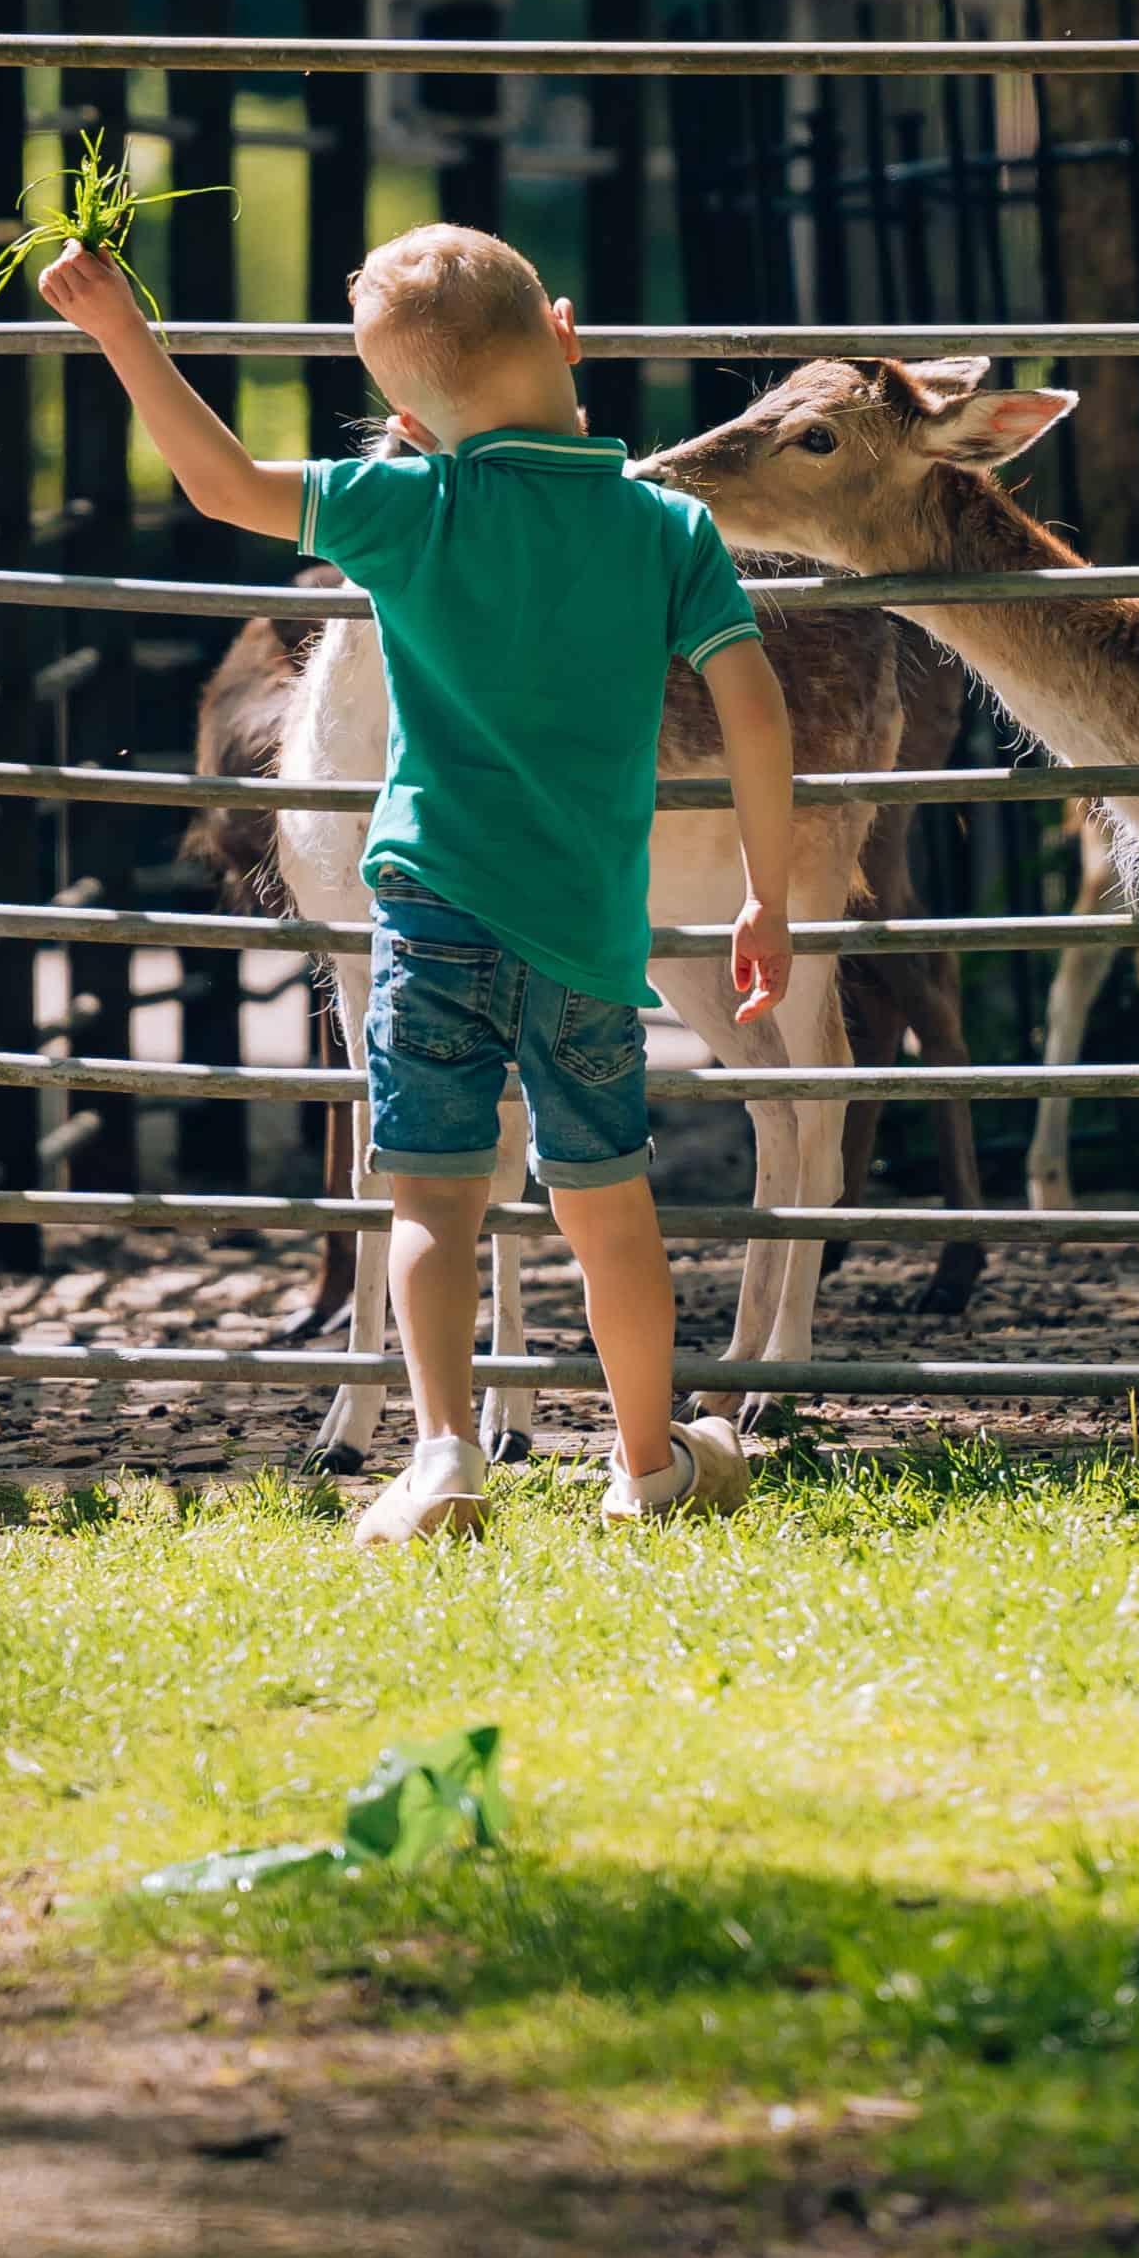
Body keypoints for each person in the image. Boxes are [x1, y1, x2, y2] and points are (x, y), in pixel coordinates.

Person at [41, 216, 787, 1540]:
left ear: (406, 413)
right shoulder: (664, 527)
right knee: (609, 1206)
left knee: (436, 1195)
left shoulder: (408, 504)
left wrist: (121, 336)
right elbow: (755, 704)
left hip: (430, 910)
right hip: (585, 931)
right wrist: (764, 892)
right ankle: (643, 1464)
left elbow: (220, 484)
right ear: (564, 333)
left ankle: (444, 1455)